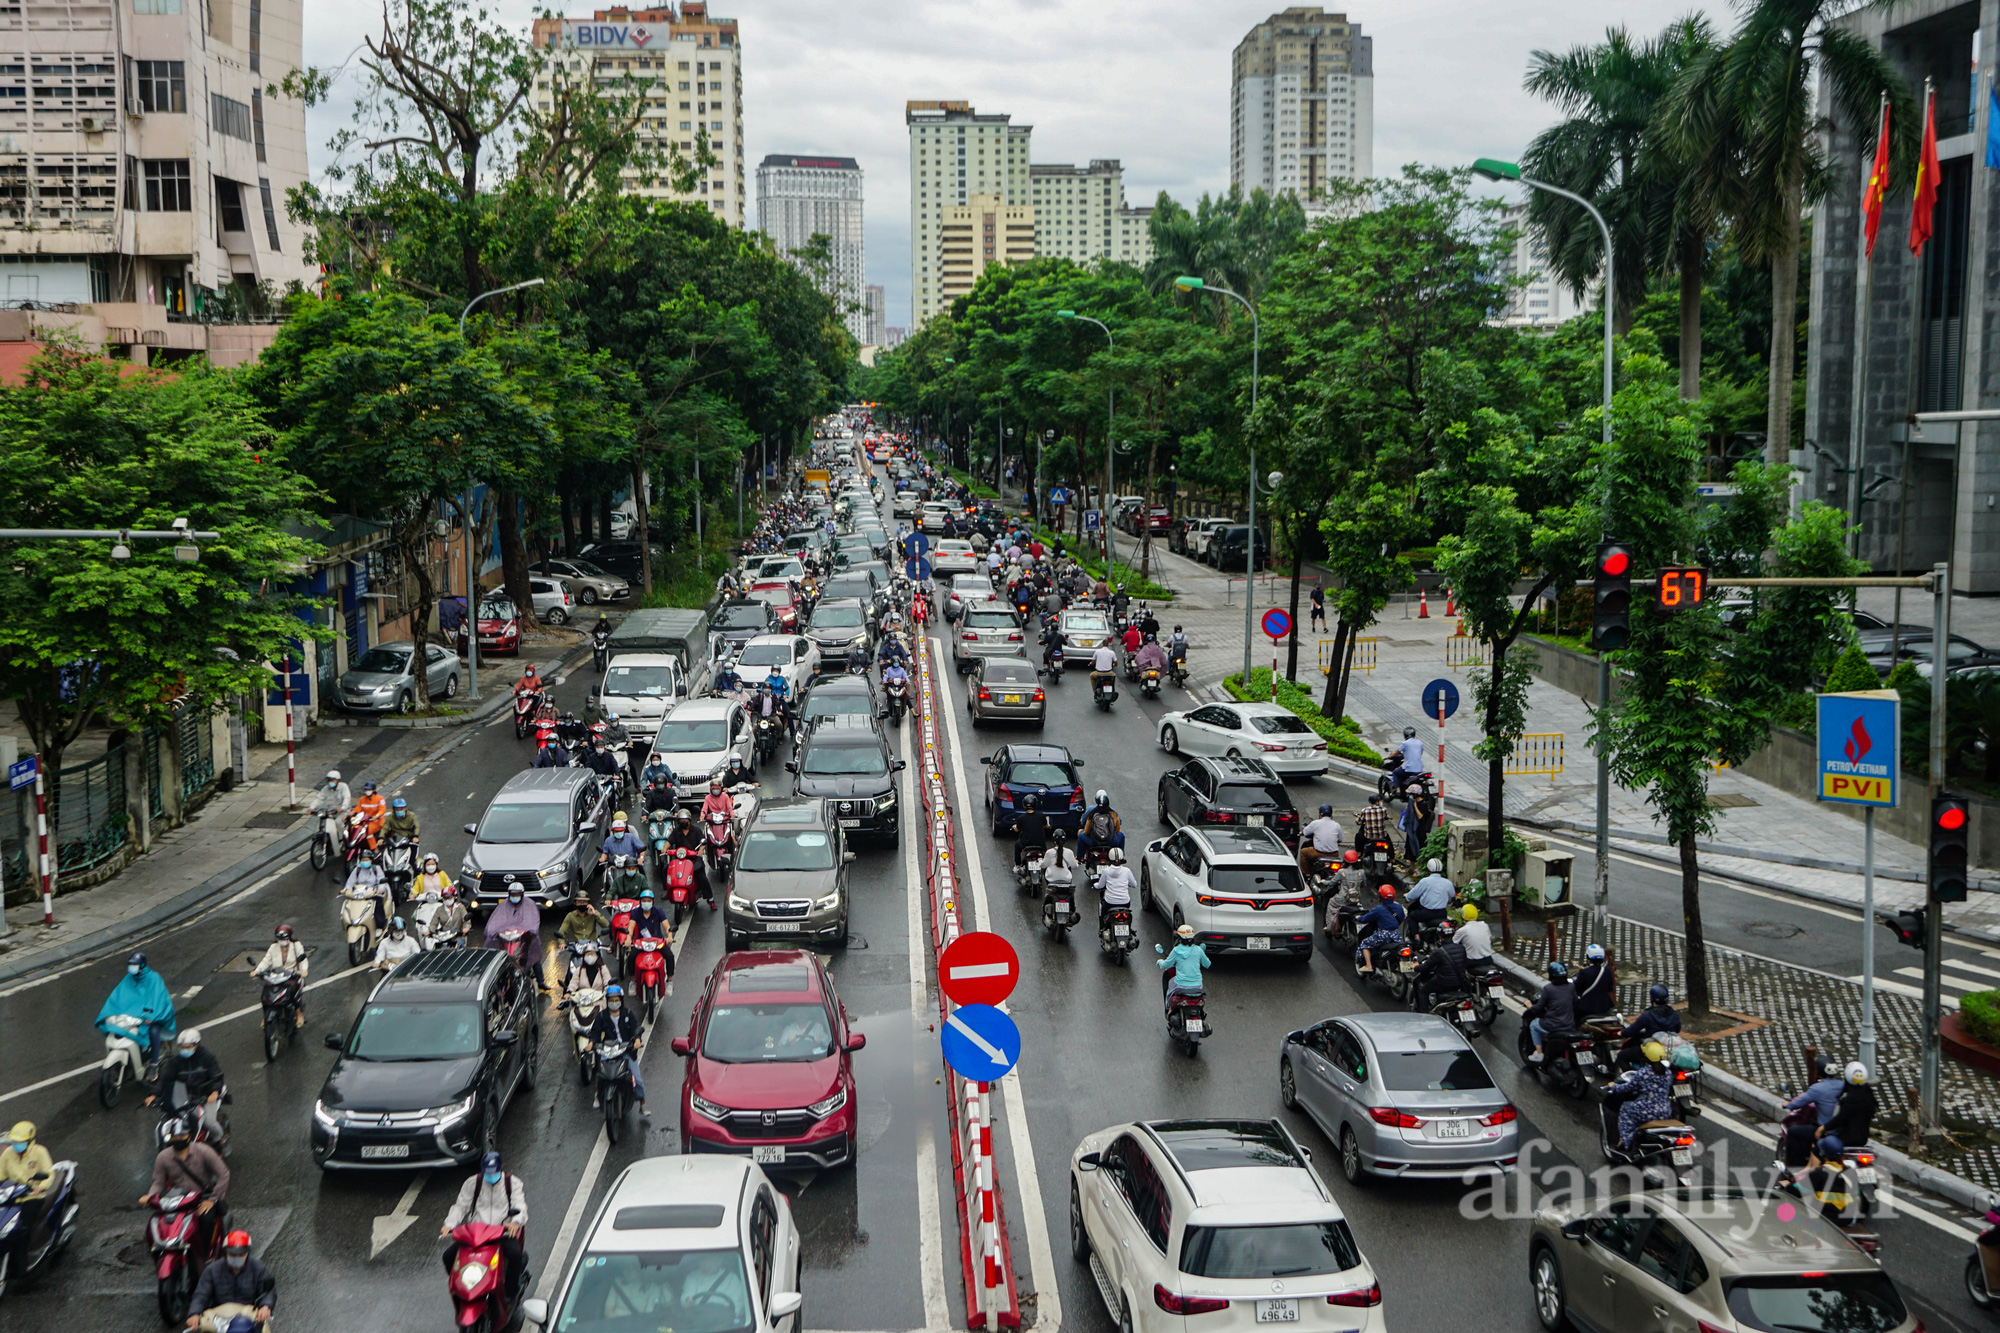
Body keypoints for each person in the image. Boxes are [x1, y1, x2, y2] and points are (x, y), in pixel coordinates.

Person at [440, 1152, 529, 1305]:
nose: (490, 1176)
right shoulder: (472, 1183)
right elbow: (461, 1206)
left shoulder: (512, 1183)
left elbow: (520, 1205)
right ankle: (460, 1287)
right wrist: (449, 1225)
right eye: (487, 1172)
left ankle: (511, 1293)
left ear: (501, 1168)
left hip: (502, 1232)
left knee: (515, 1256)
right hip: (476, 1233)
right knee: (448, 1256)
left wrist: (515, 1221)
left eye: (493, 1172)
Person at [144, 1116, 228, 1260]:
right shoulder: (163, 1157)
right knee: (157, 1223)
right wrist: (151, 1196)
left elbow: (224, 1174)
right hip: (177, 1199)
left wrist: (212, 1199)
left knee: (205, 1220)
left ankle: (204, 1254)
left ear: (189, 1136)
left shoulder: (203, 1151)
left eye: (182, 1135)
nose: (178, 1139)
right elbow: (158, 1182)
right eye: (174, 1136)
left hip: (202, 1197)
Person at [184, 1228, 274, 1331]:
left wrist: (265, 1306)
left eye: (240, 1255)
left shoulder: (258, 1269)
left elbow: (268, 1291)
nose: (236, 1257)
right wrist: (194, 1313)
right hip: (218, 1320)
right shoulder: (212, 1270)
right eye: (232, 1254)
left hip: (248, 1319)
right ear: (226, 1253)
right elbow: (201, 1294)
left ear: (247, 1253)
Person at [148, 1028, 226, 1146]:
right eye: (182, 1047)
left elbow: (216, 1076)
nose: (185, 1050)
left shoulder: (207, 1058)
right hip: (184, 1098)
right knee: (169, 1121)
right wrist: (154, 1094)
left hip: (205, 1096)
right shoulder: (176, 1061)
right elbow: (165, 1079)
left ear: (197, 1044)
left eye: (188, 1047)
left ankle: (220, 1140)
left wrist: (214, 1092)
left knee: (209, 1122)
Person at [99, 951, 177, 1063]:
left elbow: (158, 999)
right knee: (116, 1029)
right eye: (130, 964)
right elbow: (118, 996)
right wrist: (111, 1011)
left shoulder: (154, 978)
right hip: (134, 1017)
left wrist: (152, 1016)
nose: (131, 967)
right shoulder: (128, 979)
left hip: (150, 1017)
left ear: (142, 965)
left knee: (153, 1031)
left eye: (134, 965)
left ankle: (154, 1063)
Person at [588, 984, 649, 1120]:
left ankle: (642, 1103)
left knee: (637, 1079)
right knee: (600, 1074)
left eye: (616, 1000)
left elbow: (635, 1028)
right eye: (611, 1000)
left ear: (621, 1000)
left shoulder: (628, 1014)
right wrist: (591, 1043)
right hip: (609, 1050)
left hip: (626, 1050)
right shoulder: (602, 1016)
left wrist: (637, 1040)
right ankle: (598, 1095)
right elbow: (595, 1032)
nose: (614, 1003)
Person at [1603, 1043, 1675, 1150]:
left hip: (1645, 1111)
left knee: (1625, 1108)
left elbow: (1626, 1088)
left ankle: (1624, 1141)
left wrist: (1613, 1086)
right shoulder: (1668, 1073)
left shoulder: (1643, 1073)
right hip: (1665, 1111)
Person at [1783, 1059, 1849, 1166]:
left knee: (1793, 1132)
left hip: (1824, 1130)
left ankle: (1795, 1167)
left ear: (1818, 1073)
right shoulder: (1843, 1086)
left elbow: (1797, 1104)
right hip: (1842, 1131)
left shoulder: (1817, 1089)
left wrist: (1787, 1104)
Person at [251, 924, 310, 1029]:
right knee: (266, 991)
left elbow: (303, 959)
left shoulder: (296, 945)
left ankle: (299, 1014)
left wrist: (303, 970)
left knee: (292, 991)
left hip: (292, 975)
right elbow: (266, 960)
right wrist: (257, 970)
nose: (281, 940)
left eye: (283, 938)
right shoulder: (274, 947)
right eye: (279, 938)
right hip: (276, 975)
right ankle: (266, 1015)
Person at [1525, 961, 1579, 1064]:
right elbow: (1575, 1002)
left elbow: (1538, 1008)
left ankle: (1539, 1053)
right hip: (1569, 1025)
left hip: (1553, 1026)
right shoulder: (1571, 987)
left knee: (1533, 1025)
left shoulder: (1548, 989)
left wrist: (1530, 1006)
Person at [483, 885, 544, 972]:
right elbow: (496, 920)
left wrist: (529, 931)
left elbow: (532, 920)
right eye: (513, 895)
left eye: (517, 895)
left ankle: (540, 980)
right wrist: (493, 931)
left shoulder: (530, 904)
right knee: (492, 950)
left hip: (524, 938)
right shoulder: (503, 905)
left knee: (533, 954)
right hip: (506, 938)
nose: (515, 897)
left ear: (522, 894)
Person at [1410, 934, 1471, 1014]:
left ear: (1440, 937)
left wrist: (1415, 966)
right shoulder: (1461, 948)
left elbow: (1425, 967)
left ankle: (1424, 1014)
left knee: (1423, 991)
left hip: (1444, 983)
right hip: (1460, 981)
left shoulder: (1439, 952)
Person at [1825, 1062, 1878, 1152]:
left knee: (1821, 1144)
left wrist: (1823, 1128)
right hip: (1863, 1140)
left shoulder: (1848, 1098)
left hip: (1845, 1140)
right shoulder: (1869, 1095)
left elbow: (1840, 1118)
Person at [1352, 887, 1406, 972]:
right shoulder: (1399, 907)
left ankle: (1369, 966)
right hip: (1396, 934)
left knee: (1364, 944)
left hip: (1383, 935)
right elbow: (1401, 918)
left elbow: (1365, 918)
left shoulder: (1379, 909)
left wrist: (1358, 918)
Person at [1157, 923, 1210, 1005]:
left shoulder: (1176, 950)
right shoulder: (1198, 950)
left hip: (1180, 985)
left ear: (1179, 938)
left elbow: (1166, 965)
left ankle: (1168, 1007)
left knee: (1170, 984)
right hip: (1198, 986)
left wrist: (1159, 961)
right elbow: (1207, 964)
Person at [1404, 860, 1456, 938]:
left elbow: (1413, 894)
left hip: (1427, 913)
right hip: (1442, 913)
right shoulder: (1447, 883)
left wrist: (1407, 896)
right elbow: (1452, 895)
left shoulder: (1425, 881)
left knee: (1412, 917)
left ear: (1428, 870)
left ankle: (1417, 939)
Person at [344, 854, 391, 929]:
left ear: (371, 860)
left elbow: (381, 880)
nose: (364, 862)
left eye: (366, 860)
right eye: (363, 860)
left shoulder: (376, 869)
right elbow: (350, 881)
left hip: (373, 892)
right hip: (360, 893)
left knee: (378, 904)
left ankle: (380, 925)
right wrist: (345, 890)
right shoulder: (357, 869)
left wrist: (380, 890)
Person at [1094, 847, 1136, 929]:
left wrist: (1095, 885)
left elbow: (1100, 885)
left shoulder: (1106, 871)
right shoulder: (1127, 871)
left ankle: (1103, 929)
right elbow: (1134, 884)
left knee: (1103, 915)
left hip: (1110, 903)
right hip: (1125, 902)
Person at [1573, 943, 1617, 1019]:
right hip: (1604, 1007)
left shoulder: (1584, 972)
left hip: (1587, 1008)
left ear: (1588, 957)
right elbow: (1610, 988)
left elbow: (1577, 990)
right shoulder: (1607, 971)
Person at [1078, 792, 1124, 862]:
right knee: (1121, 835)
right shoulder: (1113, 814)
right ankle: (1121, 856)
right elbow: (1117, 830)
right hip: (1110, 842)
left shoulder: (1092, 814)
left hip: (1094, 842)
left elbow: (1086, 831)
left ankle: (1080, 858)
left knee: (1081, 836)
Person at [1299, 804, 1343, 877]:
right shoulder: (1337, 825)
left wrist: (1300, 833)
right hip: (1334, 854)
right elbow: (1340, 839)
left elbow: (1304, 832)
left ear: (1320, 814)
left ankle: (1306, 874)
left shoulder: (1316, 823)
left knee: (1303, 852)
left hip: (1318, 853)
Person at [1011, 794, 1049, 869]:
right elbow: (1046, 826)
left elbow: (1017, 829)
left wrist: (1014, 827)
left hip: (1026, 843)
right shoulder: (1041, 816)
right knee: (1045, 851)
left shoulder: (1021, 818)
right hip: (1040, 843)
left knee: (1017, 845)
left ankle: (1017, 865)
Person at [1038, 830, 1078, 897]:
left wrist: (1040, 861)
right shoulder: (1069, 852)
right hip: (1066, 880)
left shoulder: (1049, 852)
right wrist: (1076, 862)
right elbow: (1074, 866)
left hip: (1051, 880)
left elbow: (1043, 865)